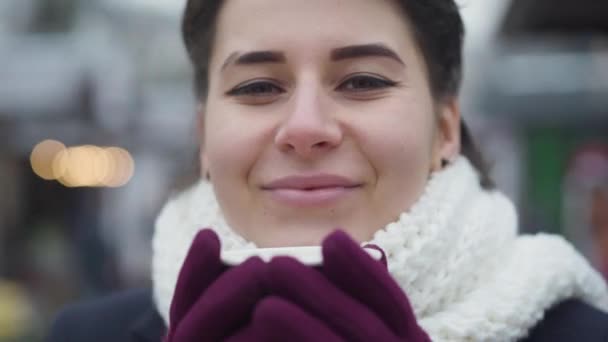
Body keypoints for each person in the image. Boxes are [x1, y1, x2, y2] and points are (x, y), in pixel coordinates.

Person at [47, 0, 608, 341]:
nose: (306, 127)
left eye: (362, 81)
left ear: (444, 130)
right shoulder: (84, 336)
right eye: (258, 87)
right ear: (203, 139)